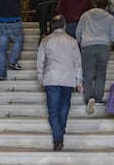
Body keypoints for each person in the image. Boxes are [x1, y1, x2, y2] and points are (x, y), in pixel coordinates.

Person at [37, 14, 83, 151]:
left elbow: (40, 62)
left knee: (52, 111)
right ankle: (60, 129)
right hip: (68, 79)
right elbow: (77, 63)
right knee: (64, 106)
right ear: (64, 25)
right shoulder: (72, 41)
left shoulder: (46, 40)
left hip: (51, 78)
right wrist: (78, 81)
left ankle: (58, 139)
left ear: (51, 26)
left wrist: (40, 78)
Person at [75, 0, 114, 114]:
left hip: (87, 46)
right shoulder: (110, 18)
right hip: (103, 46)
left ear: (95, 4)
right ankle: (98, 98)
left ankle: (88, 97)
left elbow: (78, 32)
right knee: (101, 73)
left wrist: (82, 42)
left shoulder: (85, 16)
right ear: (107, 7)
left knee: (87, 73)